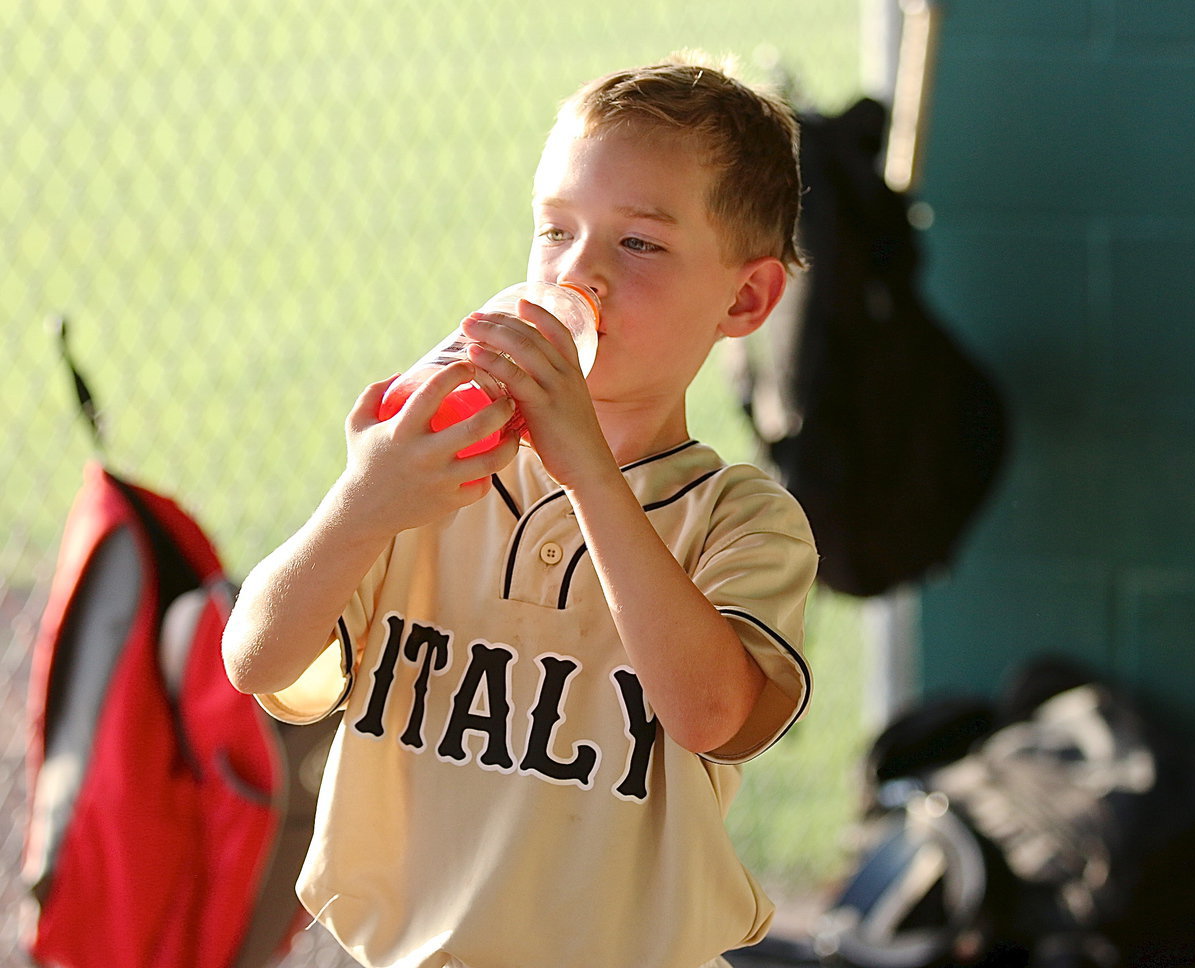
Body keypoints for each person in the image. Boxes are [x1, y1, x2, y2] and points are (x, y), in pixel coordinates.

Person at [222, 52, 818, 968]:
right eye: (554, 231)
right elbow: (256, 659)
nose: (580, 274)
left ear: (745, 297)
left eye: (640, 242)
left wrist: (586, 468)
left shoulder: (742, 522)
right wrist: (358, 505)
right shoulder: (428, 479)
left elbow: (710, 714)